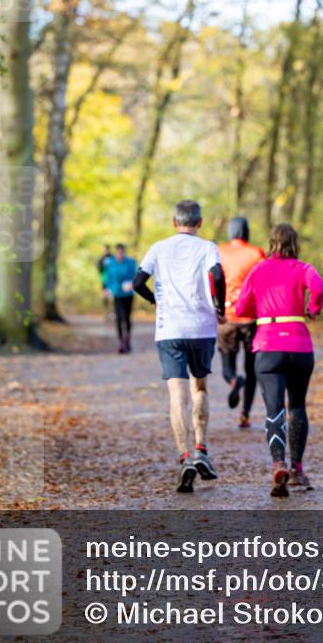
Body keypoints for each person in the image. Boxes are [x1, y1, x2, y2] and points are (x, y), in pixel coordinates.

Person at [133, 200, 226, 493]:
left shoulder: (158, 248)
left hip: (169, 329)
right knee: (200, 387)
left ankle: (185, 456)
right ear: (199, 223)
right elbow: (218, 275)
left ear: (174, 222)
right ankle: (201, 448)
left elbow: (137, 282)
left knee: (177, 394)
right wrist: (219, 306)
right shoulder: (207, 247)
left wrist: (154, 300)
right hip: (201, 327)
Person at [236, 223, 323, 497]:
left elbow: (241, 307)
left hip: (268, 345)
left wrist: (260, 310)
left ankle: (279, 464)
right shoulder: (302, 268)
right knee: (297, 406)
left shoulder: (259, 269)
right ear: (294, 243)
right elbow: (319, 287)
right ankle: (298, 468)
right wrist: (313, 308)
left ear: (271, 243)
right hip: (299, 344)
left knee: (274, 408)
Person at [218, 216, 266, 428]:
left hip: (226, 317)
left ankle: (233, 380)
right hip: (250, 318)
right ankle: (244, 414)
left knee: (228, 366)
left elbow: (211, 280)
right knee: (251, 367)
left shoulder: (218, 252)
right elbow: (265, 283)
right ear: (246, 231)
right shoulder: (257, 253)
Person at [106, 243, 137, 354]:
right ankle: (121, 342)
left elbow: (136, 276)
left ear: (124, 251)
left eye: (122, 251)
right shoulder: (111, 263)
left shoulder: (130, 262)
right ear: (116, 251)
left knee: (127, 318)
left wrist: (132, 284)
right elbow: (108, 277)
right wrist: (108, 289)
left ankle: (127, 340)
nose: (120, 253)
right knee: (119, 318)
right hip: (116, 293)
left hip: (128, 294)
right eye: (118, 251)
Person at [97, 245, 112, 319]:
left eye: (107, 249)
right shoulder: (101, 259)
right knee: (105, 296)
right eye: (104, 249)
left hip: (113, 280)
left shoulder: (112, 258)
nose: (105, 251)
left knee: (113, 296)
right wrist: (103, 265)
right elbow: (99, 269)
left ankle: (114, 312)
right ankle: (106, 312)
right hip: (105, 280)